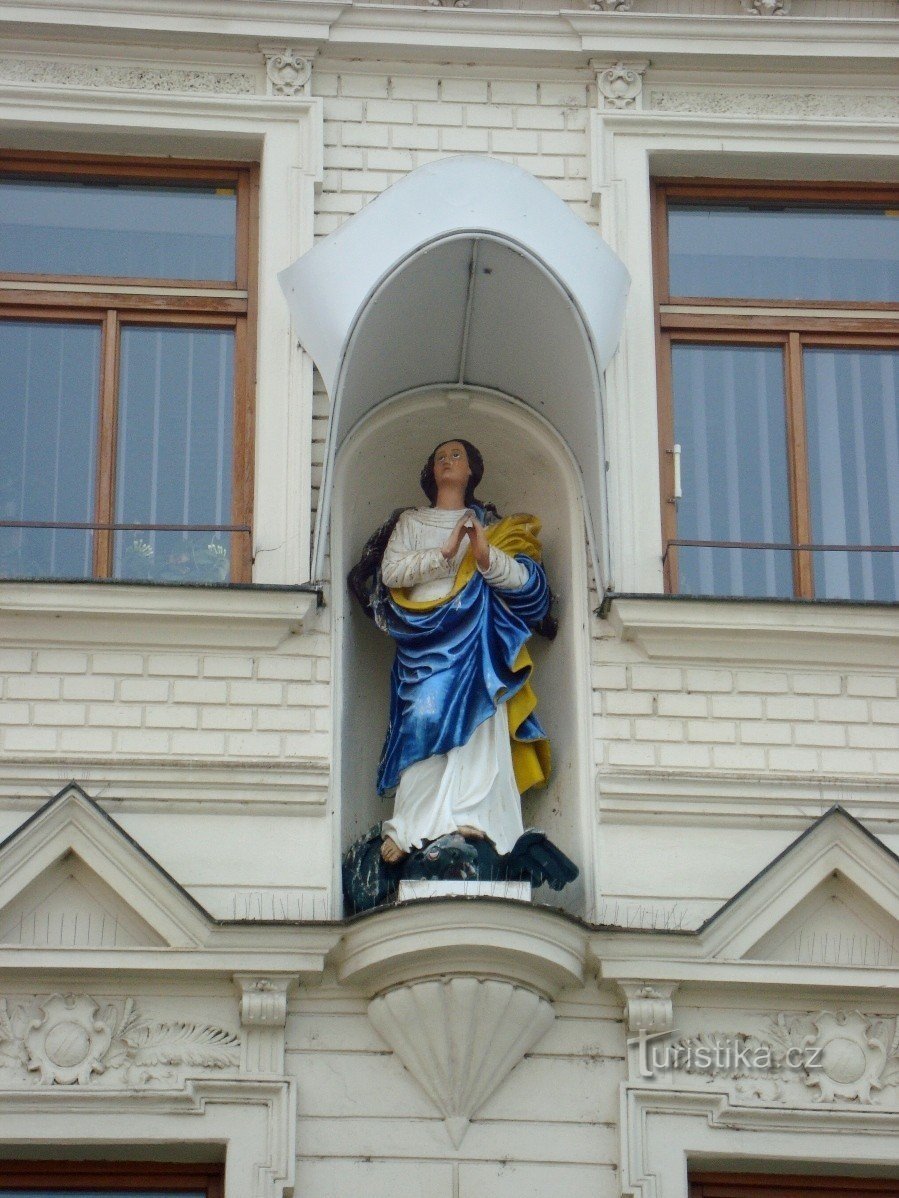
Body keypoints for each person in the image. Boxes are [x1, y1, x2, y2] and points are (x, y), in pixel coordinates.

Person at [374, 439, 551, 864]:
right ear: (430, 472)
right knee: (424, 719)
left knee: (480, 722)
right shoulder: (412, 522)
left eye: (456, 455)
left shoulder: (491, 525)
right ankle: (412, 826)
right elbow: (391, 571)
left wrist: (485, 555)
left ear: (472, 469)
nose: (446, 462)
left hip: (476, 639)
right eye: (439, 457)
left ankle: (474, 815)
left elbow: (528, 587)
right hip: (424, 638)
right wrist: (446, 553)